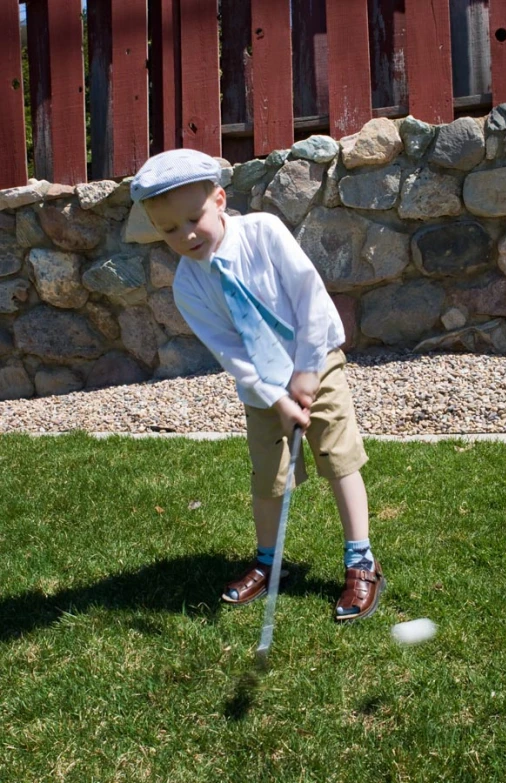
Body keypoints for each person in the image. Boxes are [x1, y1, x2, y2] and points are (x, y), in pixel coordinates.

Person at [131, 148, 385, 621]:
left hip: (317, 359)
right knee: (269, 477)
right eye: (168, 229)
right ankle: (269, 563)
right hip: (262, 387)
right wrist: (276, 397)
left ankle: (361, 561)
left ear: (220, 199)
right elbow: (231, 352)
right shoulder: (188, 286)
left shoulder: (264, 233)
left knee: (337, 458)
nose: (185, 234)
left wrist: (308, 371)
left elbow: (309, 298)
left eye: (193, 218)